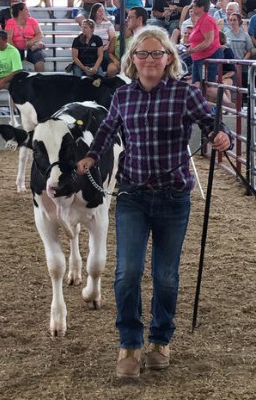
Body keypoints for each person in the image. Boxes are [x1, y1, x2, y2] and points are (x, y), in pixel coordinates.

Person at [76, 26, 233, 379]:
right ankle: (129, 344)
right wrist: (90, 156)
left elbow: (210, 123)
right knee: (127, 272)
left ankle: (160, 340)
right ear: (133, 59)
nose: (149, 60)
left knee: (165, 276)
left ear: (168, 59)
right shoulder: (122, 97)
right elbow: (105, 132)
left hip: (174, 196)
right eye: (142, 54)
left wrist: (220, 135)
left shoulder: (183, 94)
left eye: (157, 54)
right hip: (133, 194)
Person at [187, 0, 223, 91]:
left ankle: (227, 104)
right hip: (199, 57)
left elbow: (208, 41)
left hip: (208, 56)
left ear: (201, 7)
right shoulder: (201, 20)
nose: (192, 8)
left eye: (195, 6)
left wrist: (193, 49)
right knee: (197, 85)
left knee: (208, 87)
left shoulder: (206, 20)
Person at [5, 2, 45, 72]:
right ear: (20, 11)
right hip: (16, 47)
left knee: (39, 59)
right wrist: (15, 50)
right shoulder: (10, 22)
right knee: (12, 59)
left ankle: (39, 80)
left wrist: (31, 42)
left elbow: (39, 34)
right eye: (26, 9)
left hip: (31, 47)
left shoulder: (32, 21)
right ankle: (15, 80)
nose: (28, 11)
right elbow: (9, 38)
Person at [89, 2, 115, 71]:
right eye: (99, 11)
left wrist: (104, 48)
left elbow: (112, 38)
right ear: (94, 12)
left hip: (105, 47)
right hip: (92, 47)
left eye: (103, 10)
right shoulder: (90, 24)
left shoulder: (108, 24)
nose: (102, 12)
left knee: (105, 56)